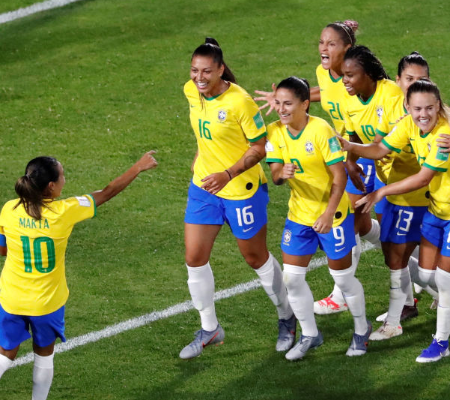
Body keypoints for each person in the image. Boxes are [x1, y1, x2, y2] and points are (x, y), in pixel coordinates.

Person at [0, 152, 158, 398]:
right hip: (46, 303)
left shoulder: (9, 209)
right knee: (44, 356)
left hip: (11, 298)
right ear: (51, 186)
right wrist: (137, 167)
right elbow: (106, 192)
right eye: (62, 176)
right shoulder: (66, 211)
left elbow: (2, 249)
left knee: (5, 354)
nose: (65, 179)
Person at [255, 21, 380, 316]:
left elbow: (364, 115)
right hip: (342, 149)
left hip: (364, 150)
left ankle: (342, 293)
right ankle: (412, 262)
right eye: (322, 42)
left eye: (331, 44)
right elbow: (326, 91)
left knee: (350, 219)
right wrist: (287, 100)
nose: (323, 48)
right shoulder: (324, 73)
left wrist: (352, 156)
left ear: (348, 50)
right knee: (362, 225)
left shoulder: (356, 81)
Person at [180, 38, 294, 359]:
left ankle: (287, 317)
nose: (199, 77)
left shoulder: (240, 102)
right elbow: (204, 131)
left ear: (220, 69)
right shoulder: (191, 91)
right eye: (194, 70)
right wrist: (202, 155)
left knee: (255, 258)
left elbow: (259, 146)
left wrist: (227, 174)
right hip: (204, 187)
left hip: (241, 189)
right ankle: (210, 329)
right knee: (194, 257)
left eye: (206, 71)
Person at [340, 79, 450, 363]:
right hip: (436, 211)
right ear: (408, 108)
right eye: (417, 108)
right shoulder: (409, 125)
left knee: (444, 280)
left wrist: (381, 192)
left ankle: (441, 341)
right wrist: (349, 145)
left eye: (429, 108)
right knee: (425, 275)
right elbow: (380, 150)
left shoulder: (444, 134)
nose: (423, 114)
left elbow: (423, 178)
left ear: (438, 106)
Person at [266, 76, 371, 360]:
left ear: (304, 104)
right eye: (278, 103)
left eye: (288, 103)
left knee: (343, 279)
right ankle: (310, 334)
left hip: (333, 216)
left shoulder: (321, 130)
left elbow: (339, 177)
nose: (281, 109)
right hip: (299, 215)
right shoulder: (274, 131)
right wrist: (281, 174)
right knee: (292, 279)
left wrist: (328, 214)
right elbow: (275, 174)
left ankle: (362, 330)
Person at [371, 53, 438, 338]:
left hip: (419, 196)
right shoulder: (389, 106)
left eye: (422, 79)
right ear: (397, 80)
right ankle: (409, 304)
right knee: (392, 254)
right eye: (410, 79)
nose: (415, 84)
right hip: (393, 189)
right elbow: (379, 145)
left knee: (403, 258)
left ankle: (395, 321)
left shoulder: (429, 115)